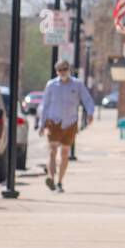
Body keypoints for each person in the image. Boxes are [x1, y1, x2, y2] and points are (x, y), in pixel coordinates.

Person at [37, 60, 94, 193]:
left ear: (69, 69)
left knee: (65, 153)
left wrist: (90, 113)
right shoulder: (51, 85)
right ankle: (51, 177)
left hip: (70, 123)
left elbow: (87, 99)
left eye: (65, 69)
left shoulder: (77, 84)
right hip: (53, 121)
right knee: (52, 151)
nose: (63, 72)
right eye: (60, 70)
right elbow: (45, 105)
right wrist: (41, 124)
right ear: (57, 71)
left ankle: (60, 182)